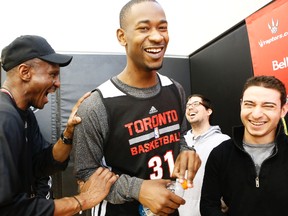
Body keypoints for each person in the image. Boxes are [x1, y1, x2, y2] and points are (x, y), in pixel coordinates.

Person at [73, 0, 201, 215]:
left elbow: (177, 137)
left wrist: (187, 152)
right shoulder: (97, 104)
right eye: (144, 28)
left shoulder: (174, 89)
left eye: (162, 27)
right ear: (122, 36)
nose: (157, 37)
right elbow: (84, 177)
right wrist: (138, 189)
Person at [0, 35, 118, 216]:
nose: (57, 83)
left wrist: (68, 133)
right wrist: (82, 200)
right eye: (52, 75)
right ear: (25, 72)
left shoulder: (24, 115)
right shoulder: (4, 118)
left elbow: (41, 165)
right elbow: (9, 208)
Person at [200, 75, 288, 216]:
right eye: (249, 104)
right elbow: (208, 205)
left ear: (283, 110)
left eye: (268, 106)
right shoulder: (221, 154)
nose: (257, 114)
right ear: (241, 104)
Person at [178, 94, 230, 216]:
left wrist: (221, 202)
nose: (190, 107)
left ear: (209, 111)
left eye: (196, 104)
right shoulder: (180, 142)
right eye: (188, 105)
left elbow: (230, 178)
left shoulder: (222, 141)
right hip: (177, 210)